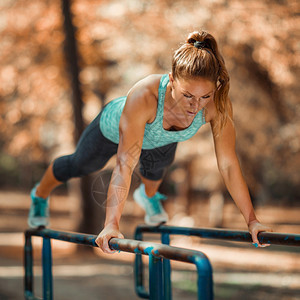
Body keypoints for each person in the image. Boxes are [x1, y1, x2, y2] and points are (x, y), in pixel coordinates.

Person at [28, 30, 272, 253]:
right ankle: (39, 195)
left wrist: (252, 220)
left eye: (204, 97)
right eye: (187, 95)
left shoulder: (218, 105)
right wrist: (111, 224)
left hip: (160, 140)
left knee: (155, 172)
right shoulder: (145, 95)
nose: (195, 106)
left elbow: (228, 164)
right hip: (111, 131)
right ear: (172, 80)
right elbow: (124, 163)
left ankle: (148, 196)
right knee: (81, 165)